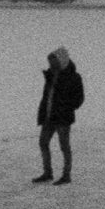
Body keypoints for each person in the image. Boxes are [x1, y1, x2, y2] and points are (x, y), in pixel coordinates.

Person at [34, 47, 84, 185]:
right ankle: (47, 173)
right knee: (43, 143)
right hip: (49, 117)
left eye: (53, 61)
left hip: (62, 118)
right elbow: (46, 97)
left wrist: (64, 107)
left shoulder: (74, 77)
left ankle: (66, 175)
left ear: (61, 61)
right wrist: (43, 112)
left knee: (64, 147)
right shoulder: (51, 75)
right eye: (50, 62)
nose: (50, 64)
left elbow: (79, 99)